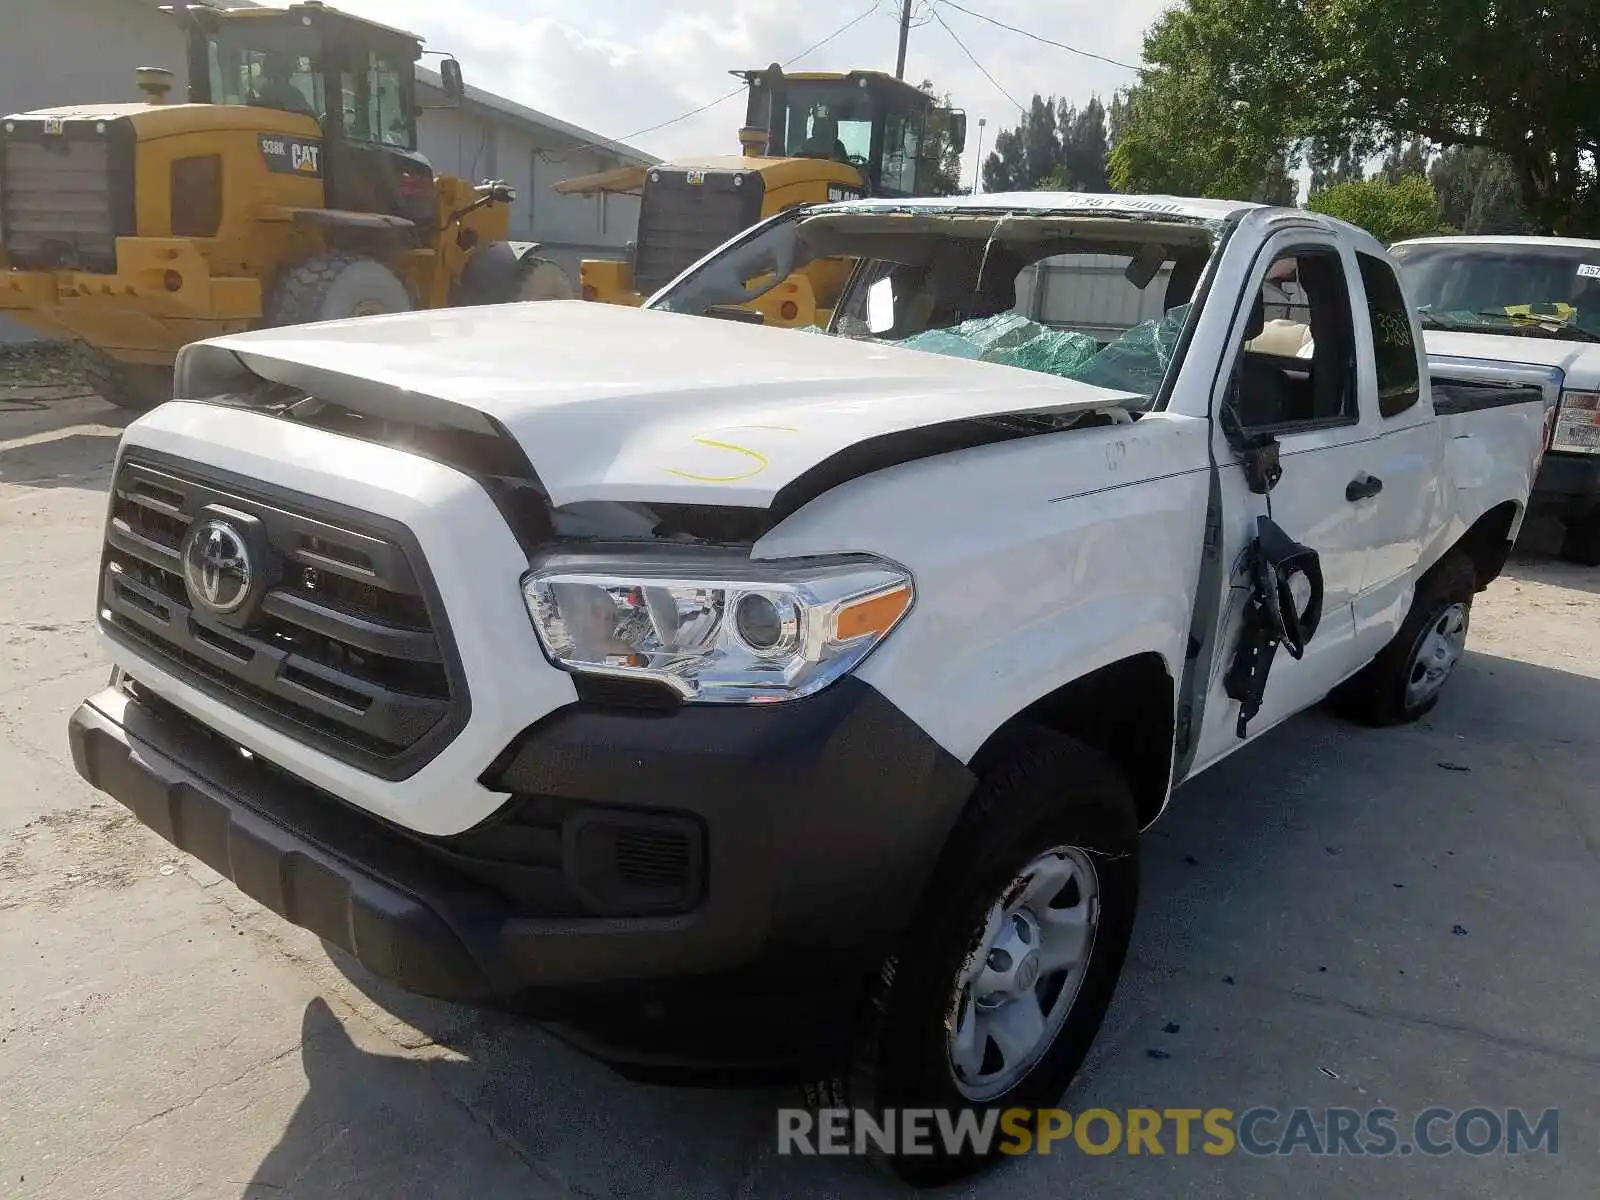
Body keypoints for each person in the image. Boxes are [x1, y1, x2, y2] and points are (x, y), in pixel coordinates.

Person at [249, 52, 317, 119]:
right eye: (294, 65)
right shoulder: (293, 93)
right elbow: (311, 119)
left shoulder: (261, 94)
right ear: (288, 70)